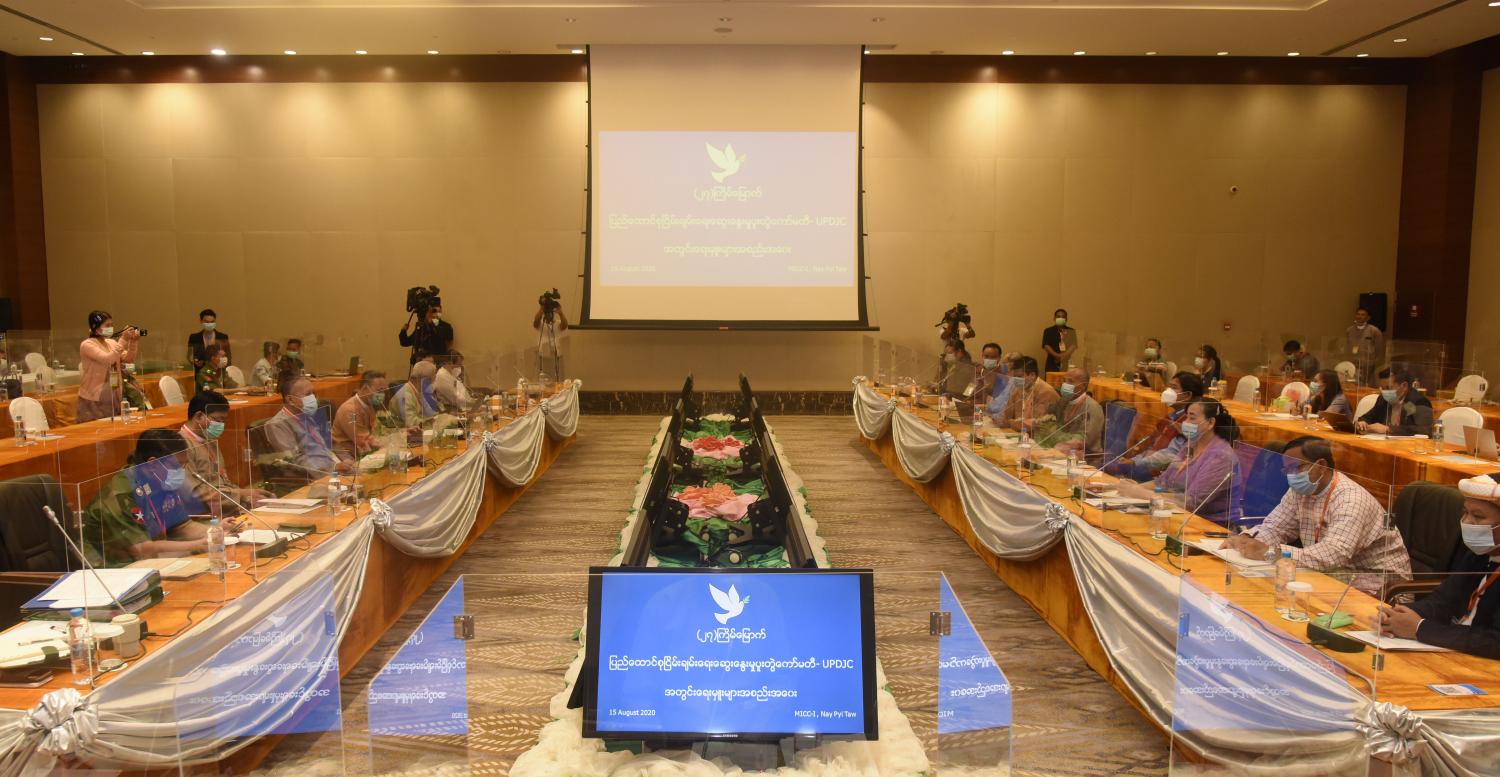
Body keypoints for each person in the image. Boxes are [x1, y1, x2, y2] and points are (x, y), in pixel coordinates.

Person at [1224, 436, 1411, 596]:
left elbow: (1333, 555)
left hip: (1378, 586)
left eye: (1296, 468)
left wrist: (1272, 552)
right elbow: (1276, 527)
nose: (1291, 476)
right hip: (1334, 575)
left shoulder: (1351, 499)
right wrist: (1246, 541)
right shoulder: (1300, 490)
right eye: (1287, 470)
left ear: (1321, 466)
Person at [1376, 473, 1500, 659]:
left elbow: (1495, 641)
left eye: (1478, 516)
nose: (1467, 522)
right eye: (1465, 512)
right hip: (1457, 649)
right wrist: (1398, 616)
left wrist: (1419, 628)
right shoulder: (1479, 553)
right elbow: (1443, 601)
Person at [80, 429, 225, 566]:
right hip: (110, 569)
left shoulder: (162, 481)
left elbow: (182, 527)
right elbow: (141, 549)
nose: (181, 472)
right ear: (153, 463)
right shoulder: (122, 494)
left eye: (183, 466)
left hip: (151, 562)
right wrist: (196, 545)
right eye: (176, 466)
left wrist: (214, 531)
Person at [1121, 398, 1241, 526]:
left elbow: (1191, 503)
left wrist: (1143, 494)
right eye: (1186, 417)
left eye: (1192, 418)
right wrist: (1134, 488)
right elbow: (1162, 482)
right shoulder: (1190, 445)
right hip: (1177, 516)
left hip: (1211, 526)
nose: (1186, 422)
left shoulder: (1221, 457)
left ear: (1210, 422)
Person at [180, 390, 271, 513]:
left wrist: (245, 496)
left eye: (224, 421)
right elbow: (196, 493)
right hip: (207, 513)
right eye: (218, 420)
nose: (221, 425)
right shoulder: (181, 447)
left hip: (227, 505)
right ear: (199, 416)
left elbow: (223, 481)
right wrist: (241, 495)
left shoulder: (209, 439)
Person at [1109, 372, 1201, 481]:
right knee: (1110, 464)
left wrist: (1135, 462)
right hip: (1149, 464)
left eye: (1174, 387)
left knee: (1114, 469)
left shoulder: (1189, 423)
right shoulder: (1169, 417)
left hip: (1164, 473)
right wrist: (1133, 459)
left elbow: (1171, 454)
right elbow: (1151, 445)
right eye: (1169, 386)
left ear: (1187, 395)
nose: (1168, 391)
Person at [265, 373, 344, 476]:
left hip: (331, 467)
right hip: (309, 476)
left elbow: (325, 445)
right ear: (290, 400)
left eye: (313, 393)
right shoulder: (277, 424)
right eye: (308, 394)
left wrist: (344, 460)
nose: (313, 398)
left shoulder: (306, 415)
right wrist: (332, 468)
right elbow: (294, 461)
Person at [77, 310, 140, 423]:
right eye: (107, 325)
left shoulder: (111, 343)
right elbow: (109, 360)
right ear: (96, 328)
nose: (110, 328)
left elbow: (128, 359)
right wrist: (123, 340)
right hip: (94, 398)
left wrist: (133, 342)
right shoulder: (87, 345)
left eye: (112, 325)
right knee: (97, 429)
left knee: (115, 427)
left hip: (113, 395)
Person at [1044, 367, 1105, 463]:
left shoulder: (1092, 408)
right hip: (1060, 453)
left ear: (1083, 386)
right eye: (1064, 380)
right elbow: (1048, 420)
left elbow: (1084, 440)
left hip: (1087, 459)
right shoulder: (1063, 401)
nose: (1065, 384)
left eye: (1070, 381)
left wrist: (1054, 435)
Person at [333, 371, 392, 463]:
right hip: (346, 455)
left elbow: (378, 431)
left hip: (361, 450)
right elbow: (364, 441)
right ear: (365, 388)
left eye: (384, 391)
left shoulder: (369, 404)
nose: (382, 395)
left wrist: (403, 434)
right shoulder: (349, 410)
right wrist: (388, 445)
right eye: (380, 391)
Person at [1357, 368, 1433, 437]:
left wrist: (1389, 429)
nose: (1385, 392)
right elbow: (1367, 417)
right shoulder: (1383, 399)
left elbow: (1424, 429)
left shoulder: (1414, 402)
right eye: (1382, 388)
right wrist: (1362, 423)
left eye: (1388, 388)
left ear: (1404, 386)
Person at [1002, 356, 1060, 431]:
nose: (1015, 380)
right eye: (1014, 376)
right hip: (1019, 432)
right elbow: (1006, 415)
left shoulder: (1046, 392)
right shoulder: (1018, 388)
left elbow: (1037, 424)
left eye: (1019, 376)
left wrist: (1011, 423)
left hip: (1038, 435)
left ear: (1032, 375)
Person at [400, 301, 454, 365]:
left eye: (437, 311)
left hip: (437, 363)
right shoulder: (422, 327)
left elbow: (447, 336)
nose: (435, 314)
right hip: (421, 363)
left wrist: (433, 322)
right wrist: (403, 331)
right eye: (432, 311)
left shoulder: (445, 326)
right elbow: (405, 342)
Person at [391, 360, 439, 427]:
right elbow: (411, 422)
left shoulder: (420, 390)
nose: (433, 383)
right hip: (402, 431)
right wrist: (431, 421)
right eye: (432, 380)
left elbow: (432, 413)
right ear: (421, 379)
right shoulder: (405, 395)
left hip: (420, 430)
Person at [187, 308, 232, 378]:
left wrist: (224, 368)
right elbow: (190, 356)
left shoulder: (222, 337)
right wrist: (195, 361)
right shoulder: (194, 338)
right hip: (200, 374)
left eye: (212, 322)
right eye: (207, 322)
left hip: (219, 374)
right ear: (201, 321)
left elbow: (228, 357)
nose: (209, 324)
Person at [1346, 306, 1385, 383]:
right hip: (1353, 365)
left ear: (1368, 318)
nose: (1359, 316)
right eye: (1358, 314)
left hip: (1368, 367)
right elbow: (1348, 347)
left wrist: (1373, 363)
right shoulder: (1349, 330)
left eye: (1363, 315)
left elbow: (1379, 350)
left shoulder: (1374, 331)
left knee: (1366, 385)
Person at [1041, 308, 1074, 374]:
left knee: (1067, 379)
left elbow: (1073, 346)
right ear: (1054, 318)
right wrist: (1057, 356)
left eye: (1063, 317)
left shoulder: (1071, 331)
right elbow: (1046, 345)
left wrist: (1063, 356)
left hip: (1067, 362)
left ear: (1066, 319)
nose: (1061, 318)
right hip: (1052, 362)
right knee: (1050, 379)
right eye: (1058, 316)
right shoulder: (1048, 331)